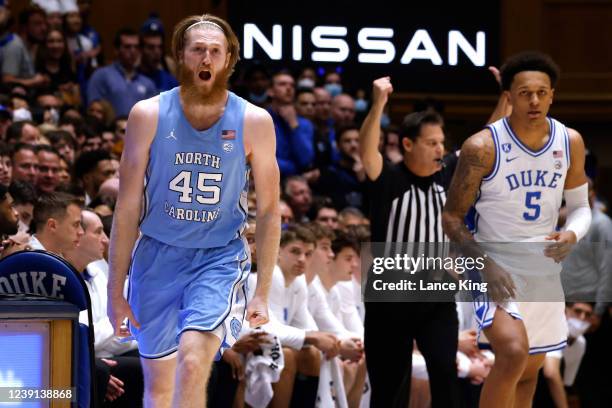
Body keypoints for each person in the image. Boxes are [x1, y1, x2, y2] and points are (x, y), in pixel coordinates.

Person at [107, 14, 280, 408]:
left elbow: (269, 211)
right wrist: (115, 291)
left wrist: (262, 293)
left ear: (228, 59)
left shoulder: (254, 120)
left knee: (192, 360)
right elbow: (127, 206)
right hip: (156, 256)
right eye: (197, 49)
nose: (206, 58)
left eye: (215, 51)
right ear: (180, 57)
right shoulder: (147, 114)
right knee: (159, 388)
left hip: (218, 258)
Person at [442, 51, 591, 408]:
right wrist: (485, 265)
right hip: (492, 263)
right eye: (525, 93)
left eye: (542, 92)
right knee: (511, 353)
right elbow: (450, 218)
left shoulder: (570, 142)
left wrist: (572, 233)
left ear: (552, 94)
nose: (535, 100)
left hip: (543, 268)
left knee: (528, 372)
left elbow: (582, 208)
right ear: (509, 96)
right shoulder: (482, 147)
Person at [359, 76, 461, 407]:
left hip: (436, 298)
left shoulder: (446, 175)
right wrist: (378, 104)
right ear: (407, 145)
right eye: (431, 143)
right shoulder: (388, 179)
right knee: (390, 387)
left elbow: (480, 148)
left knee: (446, 372)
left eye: (441, 142)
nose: (439, 149)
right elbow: (366, 148)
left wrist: (505, 98)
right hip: (390, 300)